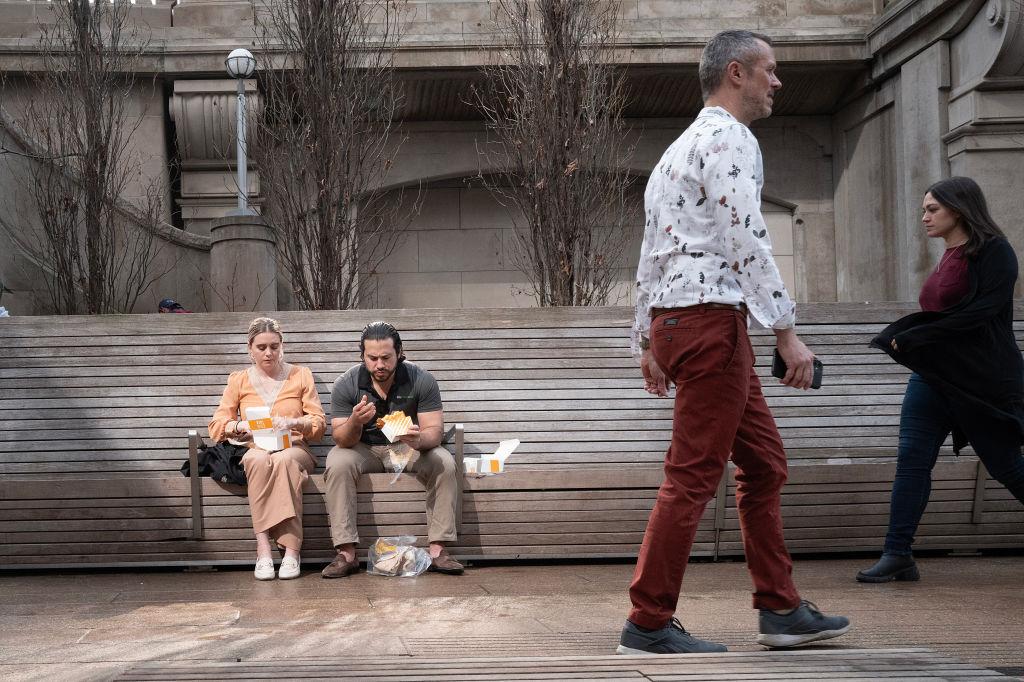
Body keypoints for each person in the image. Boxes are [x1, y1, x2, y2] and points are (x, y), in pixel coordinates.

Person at [618, 29, 850, 655]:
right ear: (737, 72)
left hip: (682, 323)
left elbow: (650, 253)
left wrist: (647, 338)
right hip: (710, 324)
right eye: (770, 71)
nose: (778, 83)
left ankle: (780, 609)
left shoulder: (675, 152)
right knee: (692, 476)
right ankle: (647, 623)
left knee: (764, 464)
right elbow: (746, 237)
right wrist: (787, 331)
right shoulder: (728, 138)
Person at [857, 177, 1024, 583]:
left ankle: (898, 553)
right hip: (933, 379)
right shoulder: (948, 255)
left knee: (1006, 467)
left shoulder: (995, 252)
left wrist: (914, 336)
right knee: (912, 463)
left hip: (978, 384)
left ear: (959, 209)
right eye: (924, 209)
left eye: (933, 209)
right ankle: (897, 554)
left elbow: (980, 314)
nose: (925, 217)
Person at [321, 321, 464, 578]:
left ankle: (438, 550)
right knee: (337, 461)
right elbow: (341, 438)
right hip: (364, 447)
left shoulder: (421, 379)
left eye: (386, 357)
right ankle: (346, 553)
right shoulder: (347, 383)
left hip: (409, 447)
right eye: (372, 358)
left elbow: (435, 430)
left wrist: (419, 440)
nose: (379, 365)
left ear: (399, 353)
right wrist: (355, 421)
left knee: (444, 461)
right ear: (362, 356)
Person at [209, 317, 326, 580]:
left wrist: (295, 421)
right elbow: (216, 425)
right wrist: (240, 426)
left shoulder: (301, 375)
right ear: (250, 349)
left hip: (295, 447)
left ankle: (292, 552)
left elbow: (319, 425)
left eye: (274, 346)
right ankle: (263, 549)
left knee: (285, 462)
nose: (268, 352)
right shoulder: (238, 380)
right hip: (257, 447)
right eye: (261, 347)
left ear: (282, 346)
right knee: (257, 461)